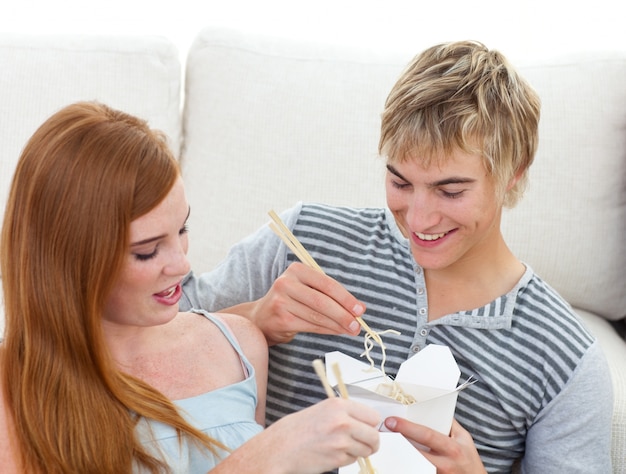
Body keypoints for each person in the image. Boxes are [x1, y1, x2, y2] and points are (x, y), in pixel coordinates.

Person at [181, 40, 614, 473]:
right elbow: (136, 335)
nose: (419, 219)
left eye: (450, 190)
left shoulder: (564, 359)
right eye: (400, 182)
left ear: (513, 173)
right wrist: (248, 322)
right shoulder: (302, 241)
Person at [0, 102, 381, 474]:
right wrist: (263, 459)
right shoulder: (13, 389)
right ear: (69, 257)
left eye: (182, 229)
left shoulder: (240, 346)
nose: (182, 265)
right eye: (147, 251)